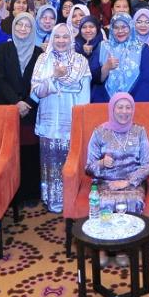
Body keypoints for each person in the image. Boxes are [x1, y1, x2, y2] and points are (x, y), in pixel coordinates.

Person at [85, 92, 149, 267]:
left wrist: (128, 182)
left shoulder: (140, 131)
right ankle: (102, 247)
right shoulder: (99, 132)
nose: (124, 112)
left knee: (132, 200)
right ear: (112, 109)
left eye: (128, 107)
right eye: (120, 107)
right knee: (102, 202)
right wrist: (101, 163)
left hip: (132, 182)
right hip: (105, 182)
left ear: (133, 109)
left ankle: (124, 248)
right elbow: (88, 167)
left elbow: (147, 164)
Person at [31, 24, 92, 212]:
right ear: (51, 39)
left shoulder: (80, 61)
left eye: (65, 37)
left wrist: (79, 120)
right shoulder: (43, 59)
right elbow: (36, 91)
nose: (61, 41)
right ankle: (54, 199)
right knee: (51, 160)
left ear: (71, 40)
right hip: (49, 120)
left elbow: (84, 93)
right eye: (57, 37)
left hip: (70, 117)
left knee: (71, 160)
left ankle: (73, 197)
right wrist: (54, 78)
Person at [0, 12, 44, 207]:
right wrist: (16, 102)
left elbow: (40, 81)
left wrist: (27, 103)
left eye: (27, 26)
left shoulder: (39, 52)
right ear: (13, 27)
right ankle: (11, 195)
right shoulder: (3, 49)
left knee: (29, 153)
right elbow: (0, 79)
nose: (23, 29)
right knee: (8, 153)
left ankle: (30, 193)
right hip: (7, 108)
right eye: (19, 25)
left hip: (30, 110)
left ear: (33, 29)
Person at [98, 13, 149, 102]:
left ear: (131, 27)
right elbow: (94, 78)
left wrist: (133, 104)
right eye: (116, 27)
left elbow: (148, 79)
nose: (120, 31)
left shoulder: (142, 48)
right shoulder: (103, 46)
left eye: (124, 27)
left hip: (137, 103)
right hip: (105, 103)